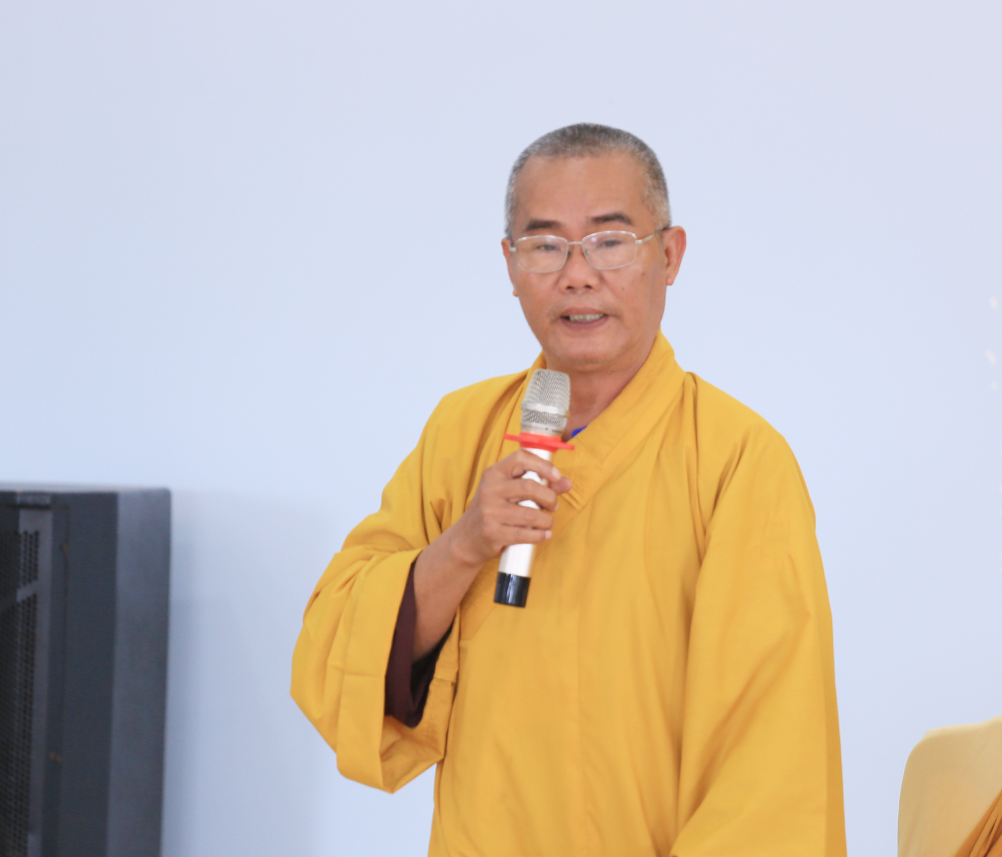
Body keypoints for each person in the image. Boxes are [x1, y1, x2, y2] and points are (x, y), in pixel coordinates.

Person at [291, 123, 846, 857]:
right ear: (509, 262)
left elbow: (771, 756)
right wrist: (464, 545)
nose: (577, 275)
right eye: (545, 245)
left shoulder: (736, 459)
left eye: (610, 242)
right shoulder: (461, 430)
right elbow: (338, 651)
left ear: (669, 256)